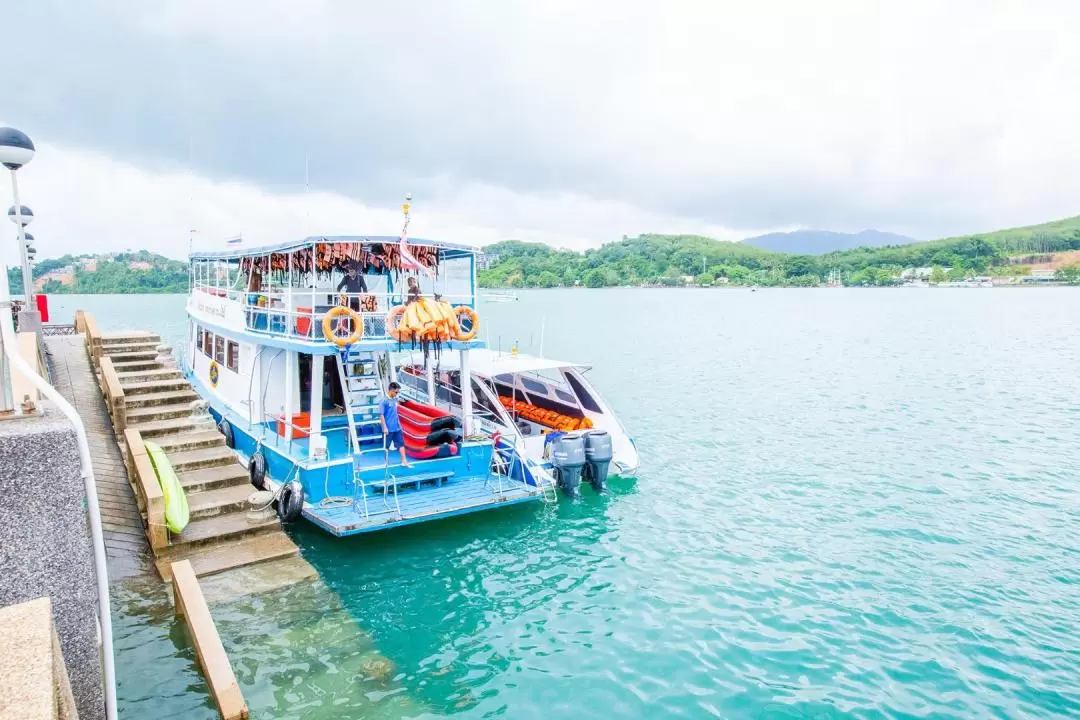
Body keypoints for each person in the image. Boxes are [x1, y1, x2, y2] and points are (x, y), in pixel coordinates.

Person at [379, 382, 411, 467]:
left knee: (401, 444)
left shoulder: (395, 400)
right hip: (388, 428)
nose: (397, 394)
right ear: (391, 390)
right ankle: (386, 463)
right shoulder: (383, 401)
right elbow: (381, 415)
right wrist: (384, 427)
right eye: (396, 392)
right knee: (386, 447)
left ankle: (404, 461)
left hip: (397, 427)